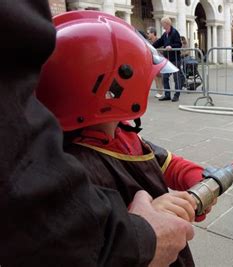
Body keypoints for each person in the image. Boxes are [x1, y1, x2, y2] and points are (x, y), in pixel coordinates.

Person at [0, 2, 193, 267]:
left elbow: (154, 157)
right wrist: (142, 227)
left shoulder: (121, 133)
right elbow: (93, 236)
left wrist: (192, 174)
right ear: (114, 91)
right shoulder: (78, 168)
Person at [153, 17, 185, 102]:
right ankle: (167, 95)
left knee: (176, 78)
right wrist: (151, 47)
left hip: (175, 59)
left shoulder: (174, 33)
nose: (162, 26)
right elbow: (159, 42)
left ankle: (176, 95)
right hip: (168, 59)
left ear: (167, 24)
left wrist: (172, 46)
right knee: (165, 77)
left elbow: (179, 44)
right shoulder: (165, 34)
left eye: (163, 24)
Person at [147, 26, 163, 98]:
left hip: (159, 60)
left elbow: (162, 51)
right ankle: (159, 92)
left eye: (148, 33)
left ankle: (161, 92)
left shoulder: (159, 41)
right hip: (153, 60)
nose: (147, 35)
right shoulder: (149, 42)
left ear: (153, 33)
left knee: (160, 77)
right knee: (156, 77)